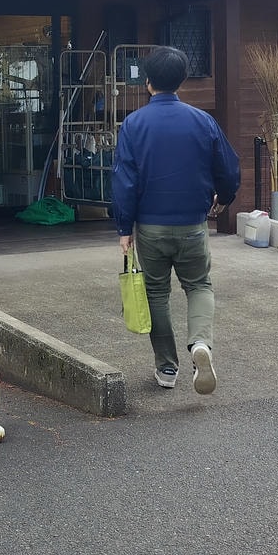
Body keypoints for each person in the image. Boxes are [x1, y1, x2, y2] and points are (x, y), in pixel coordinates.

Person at [111, 46, 241, 394]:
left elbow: (124, 181)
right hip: (192, 225)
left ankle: (167, 368)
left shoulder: (134, 124)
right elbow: (229, 169)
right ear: (182, 80)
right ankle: (200, 343)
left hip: (150, 227)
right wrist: (223, 198)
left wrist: (124, 227)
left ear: (148, 81)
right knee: (198, 285)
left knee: (155, 293)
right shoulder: (203, 121)